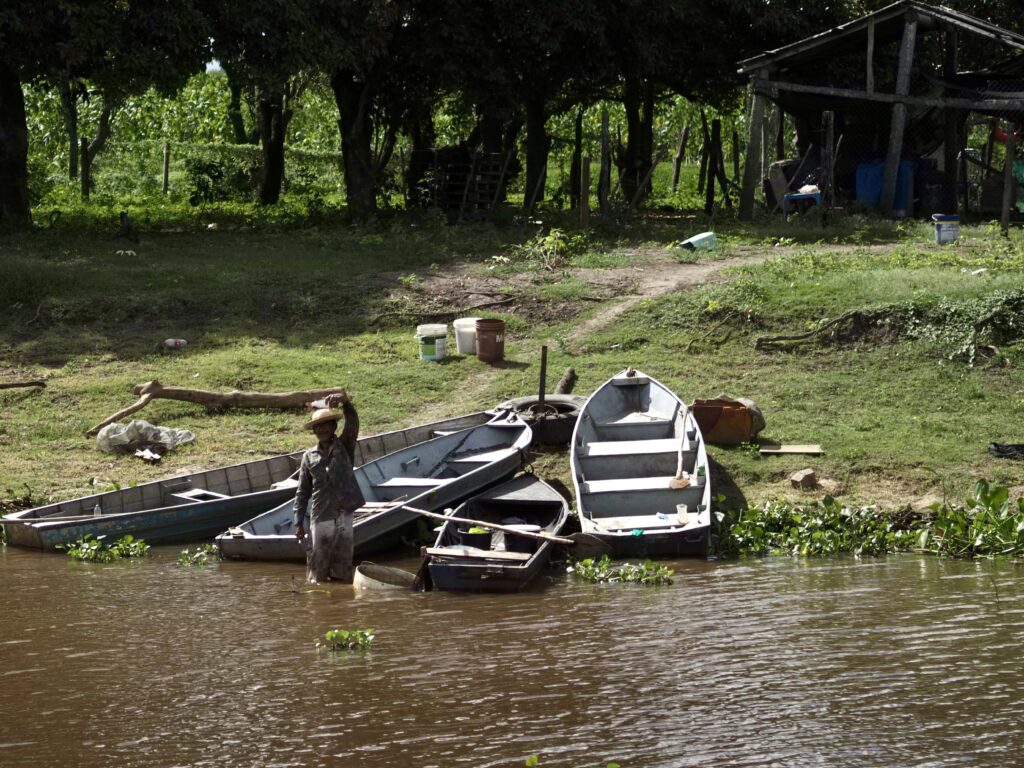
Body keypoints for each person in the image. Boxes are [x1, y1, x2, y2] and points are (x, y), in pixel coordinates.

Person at [293, 390, 364, 584]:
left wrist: (345, 402)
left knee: (343, 563)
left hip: (344, 512)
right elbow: (303, 491)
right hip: (321, 513)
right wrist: (298, 520)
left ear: (334, 426)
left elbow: (353, 423)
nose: (322, 429)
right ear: (314, 431)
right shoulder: (309, 456)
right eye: (318, 427)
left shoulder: (345, 446)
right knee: (318, 565)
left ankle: (339, 601)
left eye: (326, 425)